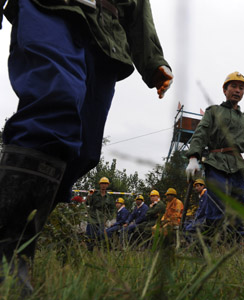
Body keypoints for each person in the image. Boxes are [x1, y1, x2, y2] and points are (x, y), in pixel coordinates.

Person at [0, 0, 172, 291]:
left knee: (83, 151)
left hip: (106, 37)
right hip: (49, 10)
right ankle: (8, 257)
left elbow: (138, 8)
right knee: (52, 114)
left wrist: (153, 60)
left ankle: (18, 245)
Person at [185, 72, 244, 230]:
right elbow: (201, 133)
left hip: (238, 166)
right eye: (233, 86)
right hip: (216, 163)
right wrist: (193, 158)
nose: (237, 91)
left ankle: (233, 244)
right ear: (224, 90)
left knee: (237, 207)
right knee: (216, 205)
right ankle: (215, 244)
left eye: (241, 88)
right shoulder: (213, 111)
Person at [86, 177, 115, 244]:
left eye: (105, 184)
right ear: (100, 184)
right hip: (92, 219)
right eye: (102, 183)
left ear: (107, 185)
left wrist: (108, 217)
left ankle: (99, 253)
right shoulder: (94, 194)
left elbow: (112, 208)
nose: (104, 185)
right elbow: (87, 203)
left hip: (102, 220)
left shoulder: (109, 197)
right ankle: (89, 252)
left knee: (101, 237)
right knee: (90, 237)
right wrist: (89, 195)